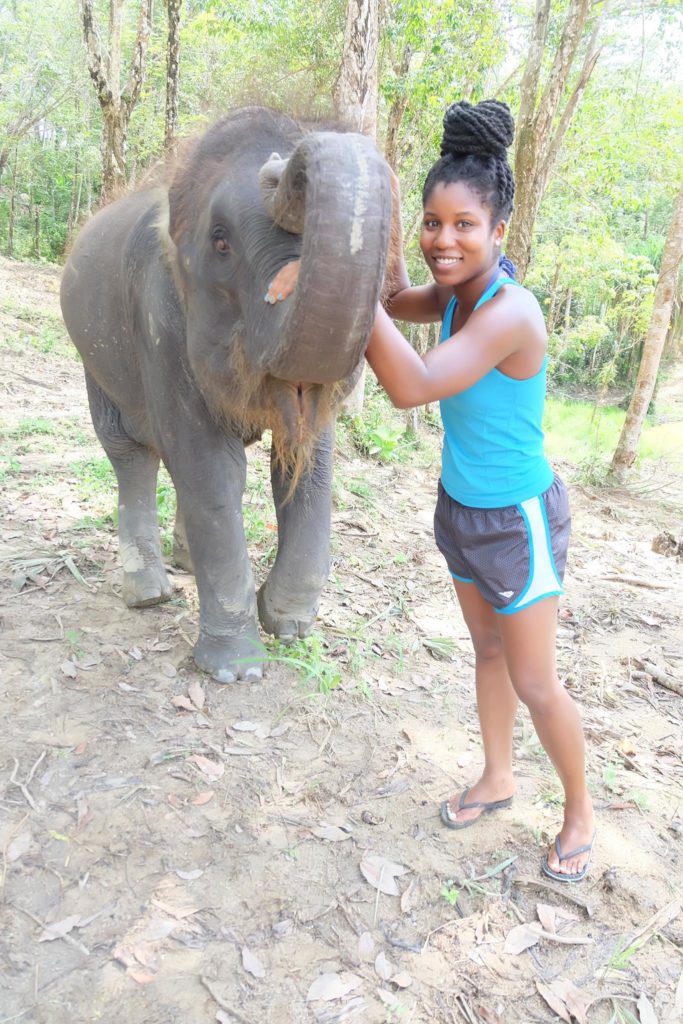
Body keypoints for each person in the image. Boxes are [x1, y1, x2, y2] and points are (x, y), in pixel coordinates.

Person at [265, 99, 594, 882]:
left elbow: (409, 384)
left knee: (535, 680)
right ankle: (497, 775)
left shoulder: (511, 312)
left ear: (499, 232)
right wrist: (335, 258)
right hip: (460, 510)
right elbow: (381, 301)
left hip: (517, 522)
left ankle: (580, 810)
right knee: (485, 652)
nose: (443, 241)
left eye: (463, 226)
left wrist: (331, 273)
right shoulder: (455, 295)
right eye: (429, 223)